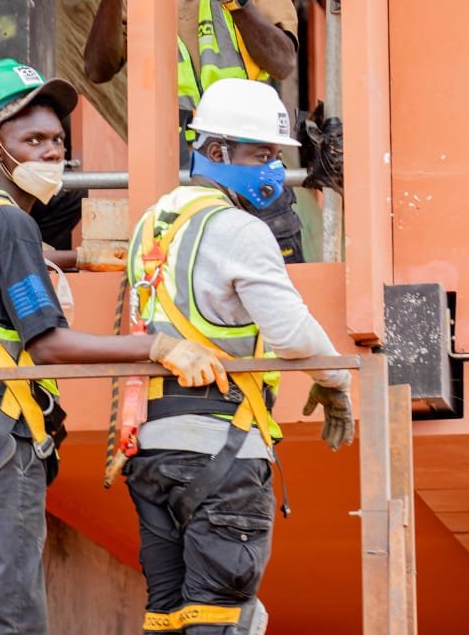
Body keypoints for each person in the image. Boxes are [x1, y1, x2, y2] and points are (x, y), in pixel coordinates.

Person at [0, 60, 228, 634]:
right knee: (9, 616)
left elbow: (10, 279)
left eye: (57, 140)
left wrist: (73, 259)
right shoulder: (11, 225)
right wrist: (158, 348)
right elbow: (48, 345)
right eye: (32, 140)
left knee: (2, 599)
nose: (50, 152)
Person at [122, 78, 355, 635]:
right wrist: (336, 380)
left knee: (169, 618)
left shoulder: (153, 223)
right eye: (260, 154)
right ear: (216, 151)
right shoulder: (238, 230)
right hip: (221, 449)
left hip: (153, 450)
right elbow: (291, 333)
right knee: (222, 618)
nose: (272, 169)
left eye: (275, 155)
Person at [82, 0, 307, 263]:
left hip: (250, 153)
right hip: (171, 156)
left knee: (271, 269)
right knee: (180, 271)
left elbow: (282, 62)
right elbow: (97, 69)